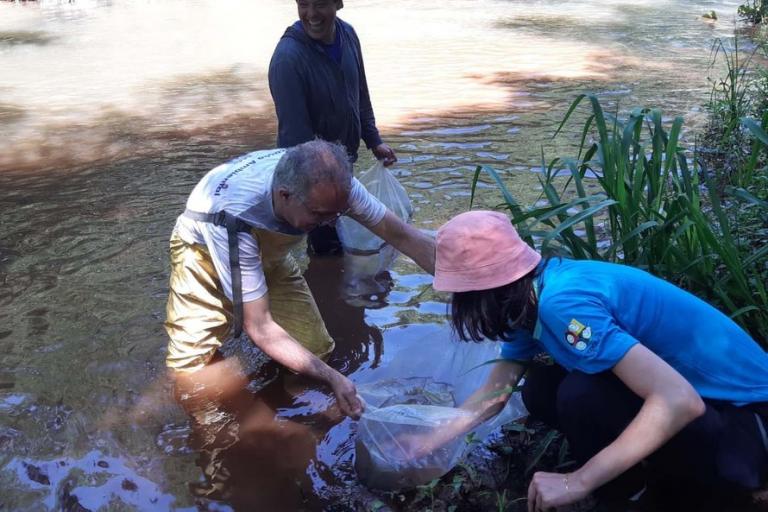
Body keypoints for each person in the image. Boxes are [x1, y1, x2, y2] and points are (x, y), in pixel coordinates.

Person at [415, 210, 768, 511]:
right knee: (541, 389)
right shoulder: (527, 297)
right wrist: (427, 440)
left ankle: (637, 494)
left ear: (478, 291)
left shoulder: (562, 303)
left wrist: (578, 481)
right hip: (702, 402)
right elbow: (496, 391)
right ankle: (638, 475)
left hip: (748, 414)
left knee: (581, 394)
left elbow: (679, 400)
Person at [163, 140, 433, 420]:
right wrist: (332, 377)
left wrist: (467, 285)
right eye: (319, 215)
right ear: (284, 196)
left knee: (316, 346)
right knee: (193, 369)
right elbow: (260, 326)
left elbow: (403, 236)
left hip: (271, 251)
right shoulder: (234, 215)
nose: (330, 223)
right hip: (204, 252)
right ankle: (210, 429)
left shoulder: (334, 186)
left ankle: (295, 411)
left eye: (337, 214)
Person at [269, 0, 396, 254]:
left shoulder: (347, 34)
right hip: (312, 181)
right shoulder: (287, 59)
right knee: (327, 252)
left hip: (341, 169)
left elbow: (360, 93)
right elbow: (295, 141)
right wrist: (319, 189)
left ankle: (330, 289)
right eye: (304, 5)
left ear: (338, 3)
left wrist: (374, 140)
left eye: (321, 5)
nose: (312, 14)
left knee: (344, 257)